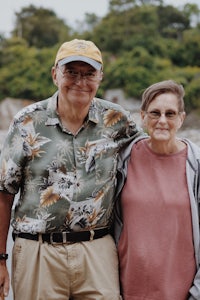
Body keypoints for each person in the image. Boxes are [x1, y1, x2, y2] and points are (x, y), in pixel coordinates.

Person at [0, 39, 142, 300]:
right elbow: (4, 192)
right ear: (55, 74)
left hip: (96, 249)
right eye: (71, 72)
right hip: (38, 251)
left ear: (100, 77)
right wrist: (0, 259)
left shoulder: (118, 120)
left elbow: (151, 154)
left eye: (89, 74)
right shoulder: (27, 121)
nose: (80, 81)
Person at [115, 80, 200, 300]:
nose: (162, 120)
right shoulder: (123, 158)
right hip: (125, 292)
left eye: (170, 114)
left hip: (180, 294)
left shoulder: (196, 164)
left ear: (181, 118)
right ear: (143, 116)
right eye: (155, 113)